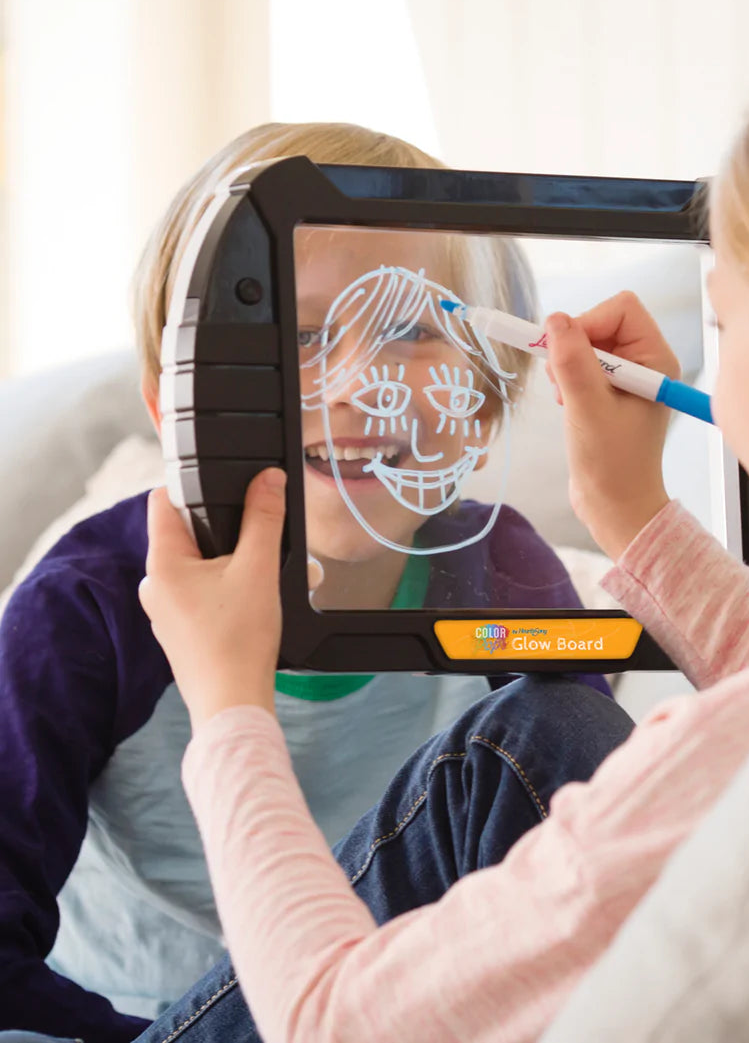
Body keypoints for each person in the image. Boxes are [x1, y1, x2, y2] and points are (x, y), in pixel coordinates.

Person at [132, 5, 749, 1043]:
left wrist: (228, 709)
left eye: (718, 324)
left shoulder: (733, 745)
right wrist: (636, 517)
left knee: (525, 740)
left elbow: (332, 1022)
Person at [0, 123, 620, 1042]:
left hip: (383, 1017)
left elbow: (567, 872)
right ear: (170, 397)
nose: (357, 382)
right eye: (294, 332)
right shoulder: (87, 607)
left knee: (567, 729)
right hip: (141, 1028)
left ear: (485, 396)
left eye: (412, 328)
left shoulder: (509, 578)